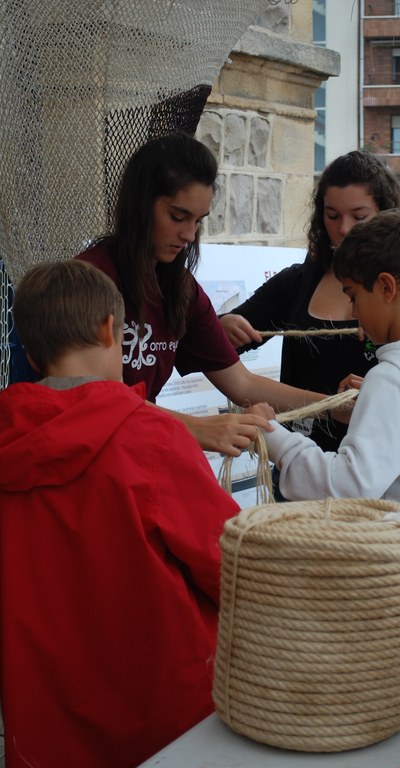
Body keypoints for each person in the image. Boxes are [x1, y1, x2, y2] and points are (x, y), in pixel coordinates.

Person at [0, 260, 240, 768]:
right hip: (168, 727)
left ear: (34, 351)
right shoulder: (151, 439)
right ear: (109, 329)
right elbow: (234, 567)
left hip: (45, 730)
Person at [245, 211, 400, 543]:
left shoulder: (392, 381)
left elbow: (347, 485)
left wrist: (273, 436)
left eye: (353, 296)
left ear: (385, 287)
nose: (353, 312)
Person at [221, 152, 400, 457]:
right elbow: (219, 349)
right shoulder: (298, 282)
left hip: (385, 466)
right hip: (304, 464)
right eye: (332, 215)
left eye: (359, 217)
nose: (344, 228)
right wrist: (223, 325)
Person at [76, 132, 328, 457]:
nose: (189, 234)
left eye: (198, 220)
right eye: (178, 217)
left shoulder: (180, 290)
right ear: (140, 203)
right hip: (87, 462)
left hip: (141, 455)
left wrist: (332, 405)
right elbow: (89, 400)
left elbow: (243, 384)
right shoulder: (85, 282)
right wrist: (196, 428)